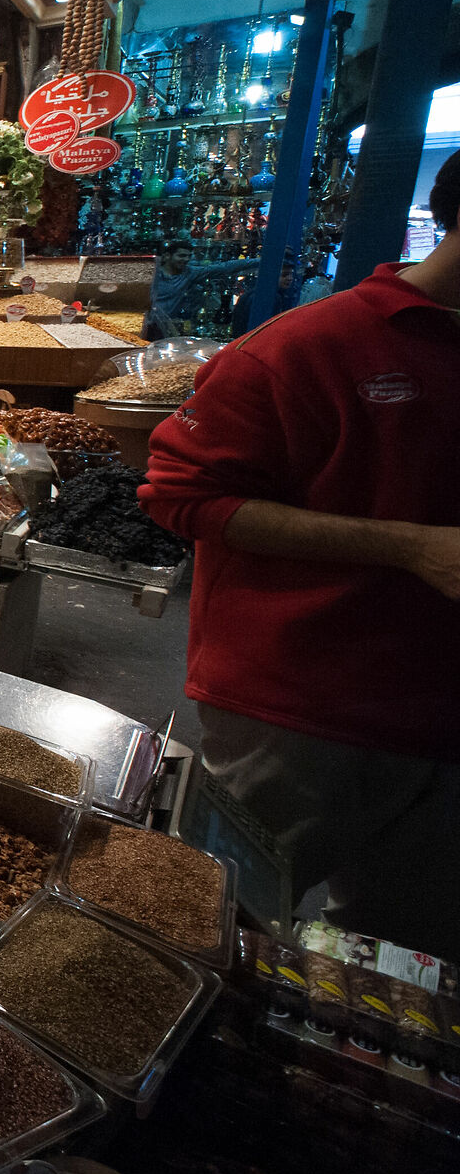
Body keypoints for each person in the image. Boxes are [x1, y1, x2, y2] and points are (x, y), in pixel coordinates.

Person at [140, 151, 460, 959]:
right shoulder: (311, 344)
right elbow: (179, 494)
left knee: (405, 967)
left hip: (440, 722)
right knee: (198, 931)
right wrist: (411, 547)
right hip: (301, 710)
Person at [144, 242, 258, 339]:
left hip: (164, 328)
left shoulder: (189, 273)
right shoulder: (152, 273)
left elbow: (224, 267)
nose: (186, 259)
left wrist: (259, 261)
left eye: (189, 256)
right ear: (167, 256)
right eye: (181, 256)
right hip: (142, 323)